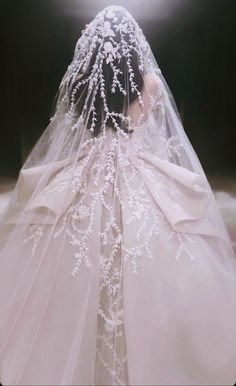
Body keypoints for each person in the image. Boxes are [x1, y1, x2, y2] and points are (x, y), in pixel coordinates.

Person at [0, 5, 236, 386]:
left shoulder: (81, 84)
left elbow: (77, 126)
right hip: (137, 170)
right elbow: (153, 132)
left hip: (85, 168)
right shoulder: (149, 83)